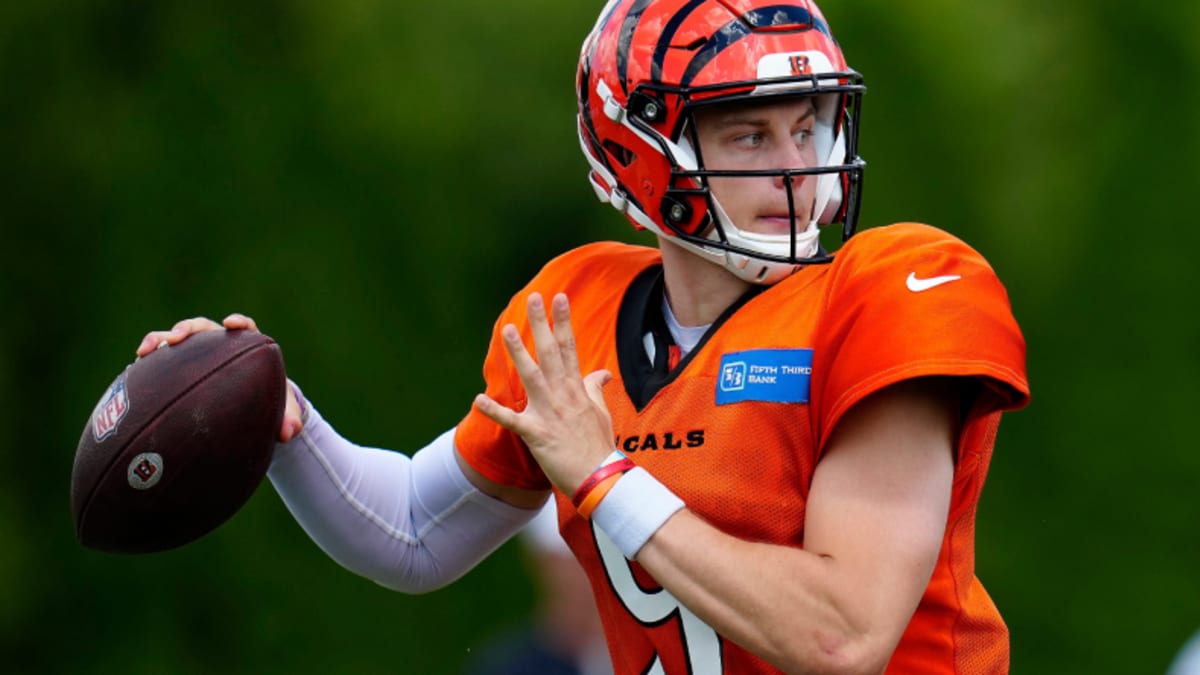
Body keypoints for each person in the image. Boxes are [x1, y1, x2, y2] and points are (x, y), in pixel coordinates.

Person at [137, 0, 1029, 672]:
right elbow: (412, 531)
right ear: (641, 150)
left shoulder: (895, 286)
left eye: (808, 126)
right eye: (752, 135)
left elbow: (843, 634)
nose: (800, 166)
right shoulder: (577, 313)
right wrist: (277, 417)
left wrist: (607, 480)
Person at [463, 499, 612, 675]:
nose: (583, 573)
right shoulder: (507, 668)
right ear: (540, 563)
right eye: (571, 558)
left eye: (594, 558)